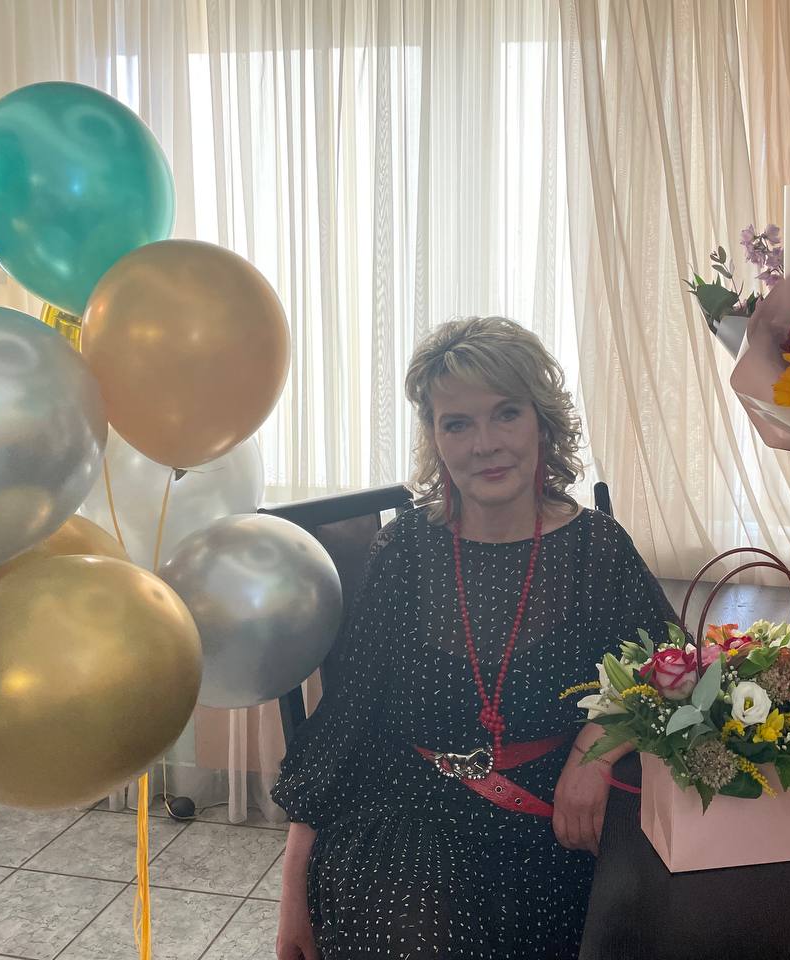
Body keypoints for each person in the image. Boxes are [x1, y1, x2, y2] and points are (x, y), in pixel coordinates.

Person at [273, 316, 675, 959]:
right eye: (457, 424)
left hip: (553, 824)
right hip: (408, 817)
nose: (485, 444)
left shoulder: (596, 549)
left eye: (506, 414)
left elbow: (670, 673)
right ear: (435, 439)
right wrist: (295, 893)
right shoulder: (404, 549)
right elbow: (347, 719)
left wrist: (595, 752)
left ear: (541, 422)